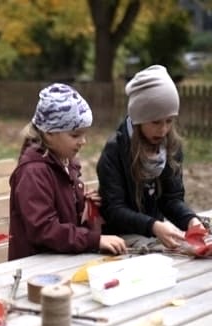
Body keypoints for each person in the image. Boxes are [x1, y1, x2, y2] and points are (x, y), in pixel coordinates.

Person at [8, 82, 127, 261]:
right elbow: (44, 229)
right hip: (35, 265)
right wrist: (94, 240)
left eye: (84, 134)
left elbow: (65, 213)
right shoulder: (33, 172)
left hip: (61, 258)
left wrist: (83, 203)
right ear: (49, 133)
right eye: (75, 135)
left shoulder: (64, 161)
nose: (83, 141)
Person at [96, 65, 204, 249]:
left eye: (169, 121)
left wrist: (190, 220)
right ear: (138, 119)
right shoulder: (115, 150)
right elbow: (114, 210)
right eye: (155, 122)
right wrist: (153, 226)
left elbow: (171, 199)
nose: (163, 130)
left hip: (154, 231)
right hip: (120, 237)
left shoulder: (171, 147)